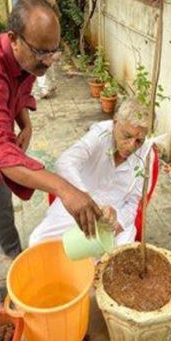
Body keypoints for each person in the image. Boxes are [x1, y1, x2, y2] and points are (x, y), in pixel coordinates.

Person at [0, 0, 102, 305]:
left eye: (54, 52)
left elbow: (19, 89)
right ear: (13, 39)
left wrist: (26, 124)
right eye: (41, 53)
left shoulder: (27, 57)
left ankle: (17, 260)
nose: (48, 61)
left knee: (5, 215)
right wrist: (64, 188)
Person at [29, 98, 153, 247]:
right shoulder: (100, 134)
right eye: (127, 136)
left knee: (119, 259)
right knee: (38, 242)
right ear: (115, 123)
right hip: (80, 202)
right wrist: (85, 198)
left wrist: (118, 219)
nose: (131, 146)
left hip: (114, 215)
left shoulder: (146, 154)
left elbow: (134, 201)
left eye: (139, 140)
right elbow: (64, 162)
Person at [28, 0, 58, 98]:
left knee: (37, 58)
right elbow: (57, 15)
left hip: (30, 32)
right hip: (47, 32)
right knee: (47, 56)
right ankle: (48, 86)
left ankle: (46, 87)